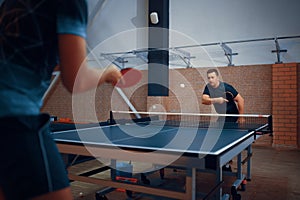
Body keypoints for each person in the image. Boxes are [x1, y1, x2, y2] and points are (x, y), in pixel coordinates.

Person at [0, 1, 122, 200]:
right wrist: (108, 73)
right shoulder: (71, 4)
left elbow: (28, 57)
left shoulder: (9, 3)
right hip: (13, 117)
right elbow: (76, 80)